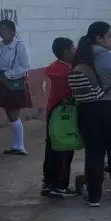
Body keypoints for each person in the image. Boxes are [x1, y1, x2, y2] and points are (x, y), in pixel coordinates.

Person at [71, 21, 111, 207]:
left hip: (87, 111)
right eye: (110, 36)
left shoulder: (80, 58)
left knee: (94, 153)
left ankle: (94, 197)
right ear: (99, 39)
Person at [0, 18, 31, 155]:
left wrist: (8, 75)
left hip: (13, 82)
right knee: (9, 113)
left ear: (12, 31)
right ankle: (15, 145)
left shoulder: (19, 45)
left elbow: (25, 66)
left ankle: (20, 146)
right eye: (0, 30)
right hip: (1, 81)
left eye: (5, 30)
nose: (2, 33)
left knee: (14, 114)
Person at [42, 37, 76, 199]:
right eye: (73, 49)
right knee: (65, 148)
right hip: (64, 116)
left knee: (51, 148)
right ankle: (59, 185)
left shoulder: (54, 69)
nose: (75, 51)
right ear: (66, 52)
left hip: (52, 113)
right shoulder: (69, 72)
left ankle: (48, 183)